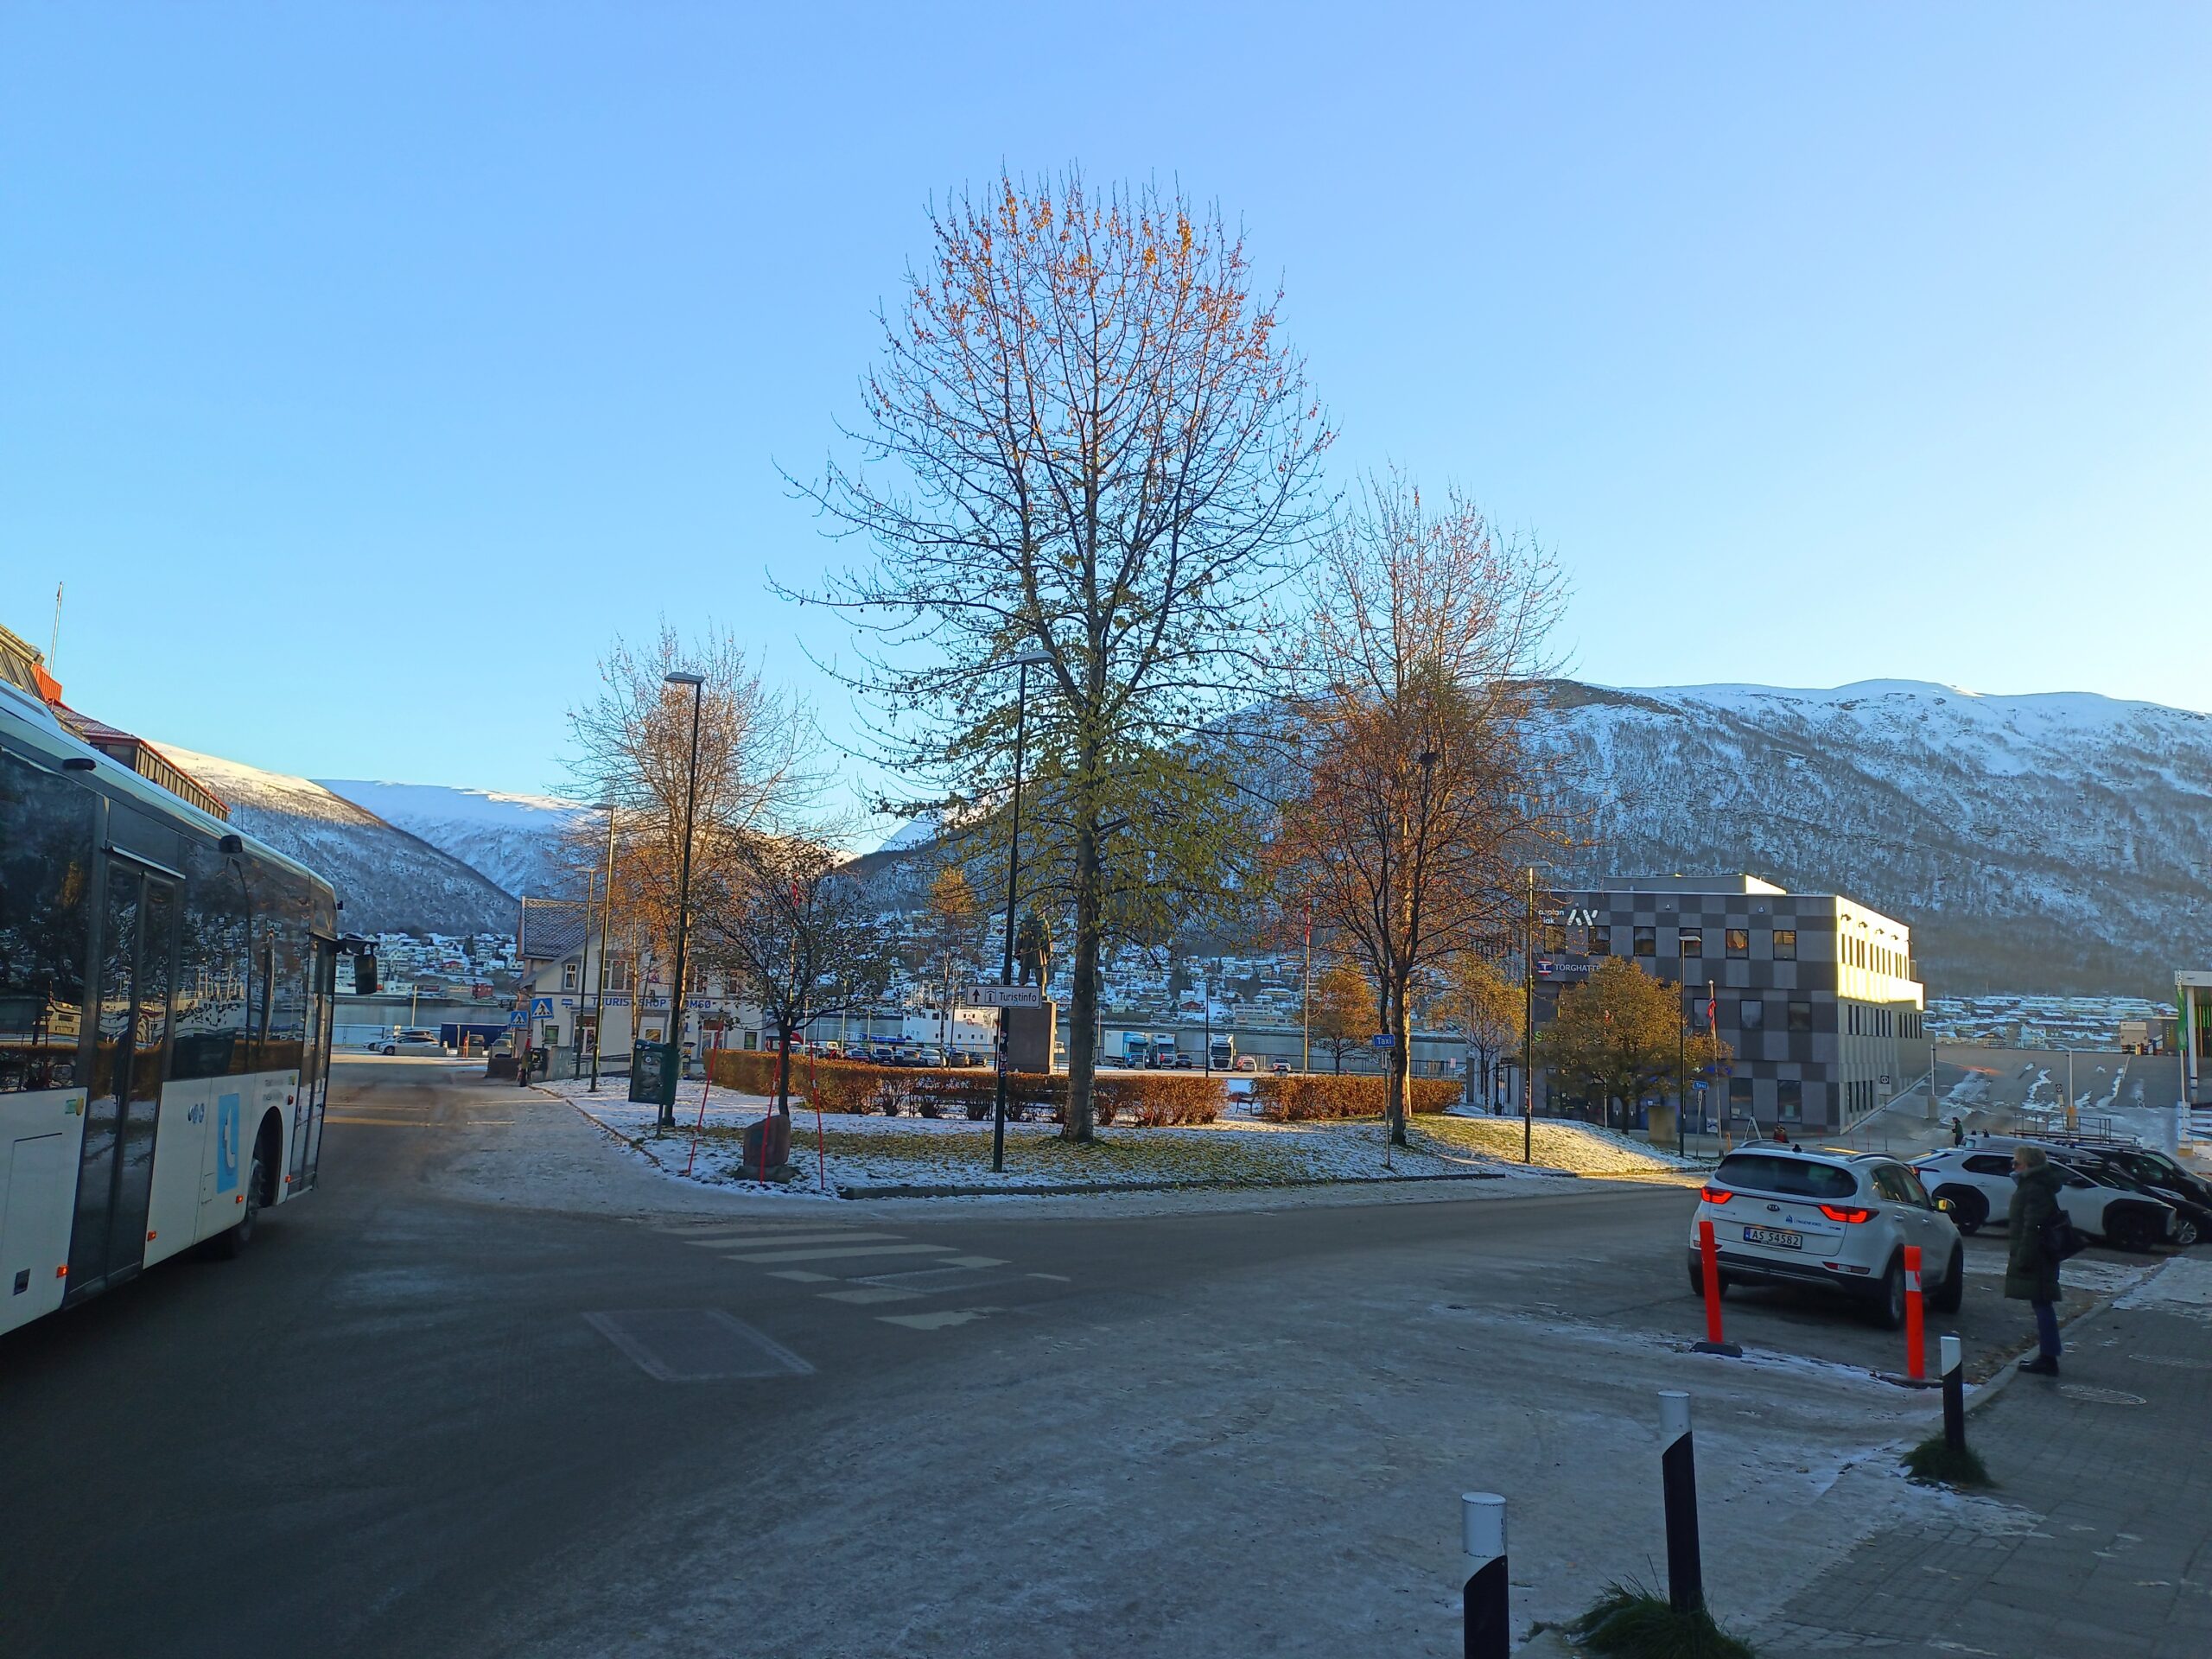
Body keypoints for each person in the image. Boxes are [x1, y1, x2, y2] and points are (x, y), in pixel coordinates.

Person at [2005, 1144, 2066, 1376]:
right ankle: (2048, 1355)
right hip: (2040, 1254)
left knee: (2042, 1304)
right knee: (2041, 1303)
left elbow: (2032, 1226)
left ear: (2029, 1165)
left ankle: (2048, 1358)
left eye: (2017, 1162)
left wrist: (2023, 1257)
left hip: (2038, 1256)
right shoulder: (2035, 1185)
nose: (2013, 1166)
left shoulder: (2034, 1188)